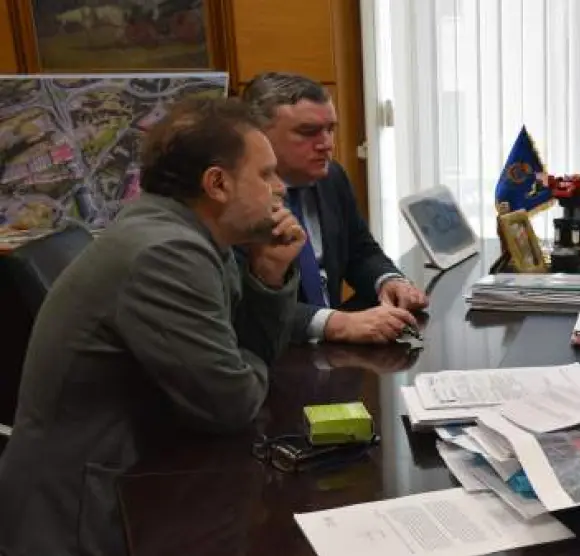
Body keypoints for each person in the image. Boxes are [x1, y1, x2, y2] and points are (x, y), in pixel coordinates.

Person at [0, 97, 305, 556]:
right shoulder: (166, 252)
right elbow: (231, 402)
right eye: (265, 174)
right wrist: (243, 367)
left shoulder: (191, 236)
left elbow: (236, 365)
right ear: (217, 184)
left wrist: (268, 274)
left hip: (135, 477)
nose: (279, 188)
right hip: (79, 514)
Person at [240, 72, 429, 345]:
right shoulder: (236, 200)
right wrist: (336, 324)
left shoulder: (331, 177)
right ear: (258, 136)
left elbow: (360, 251)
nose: (326, 144)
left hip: (334, 351)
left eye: (330, 129)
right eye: (308, 132)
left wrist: (388, 281)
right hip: (277, 352)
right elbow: (241, 306)